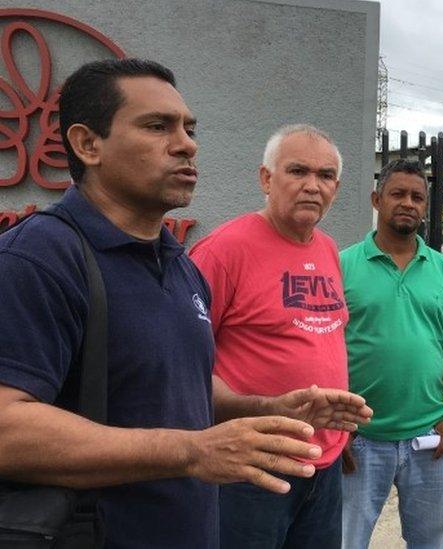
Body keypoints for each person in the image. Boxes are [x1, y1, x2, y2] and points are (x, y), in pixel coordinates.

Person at [0, 59, 363, 548]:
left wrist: (264, 408)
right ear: (88, 144)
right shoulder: (42, 256)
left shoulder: (178, 263)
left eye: (189, 129)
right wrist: (191, 451)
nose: (186, 144)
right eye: (157, 127)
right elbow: (8, 426)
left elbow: (185, 387)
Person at [189, 124, 372, 548]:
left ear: (337, 187)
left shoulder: (326, 248)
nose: (313, 186)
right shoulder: (223, 251)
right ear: (266, 179)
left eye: (325, 176)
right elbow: (186, 367)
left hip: (321, 464)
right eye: (298, 171)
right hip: (251, 466)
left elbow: (321, 338)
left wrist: (336, 435)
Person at [340, 159, 443, 549]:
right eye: (398, 194)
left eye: (417, 197)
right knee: (346, 540)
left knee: (431, 541)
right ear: (376, 199)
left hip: (430, 437)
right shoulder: (342, 265)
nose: (408, 203)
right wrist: (335, 427)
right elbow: (323, 345)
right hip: (359, 437)